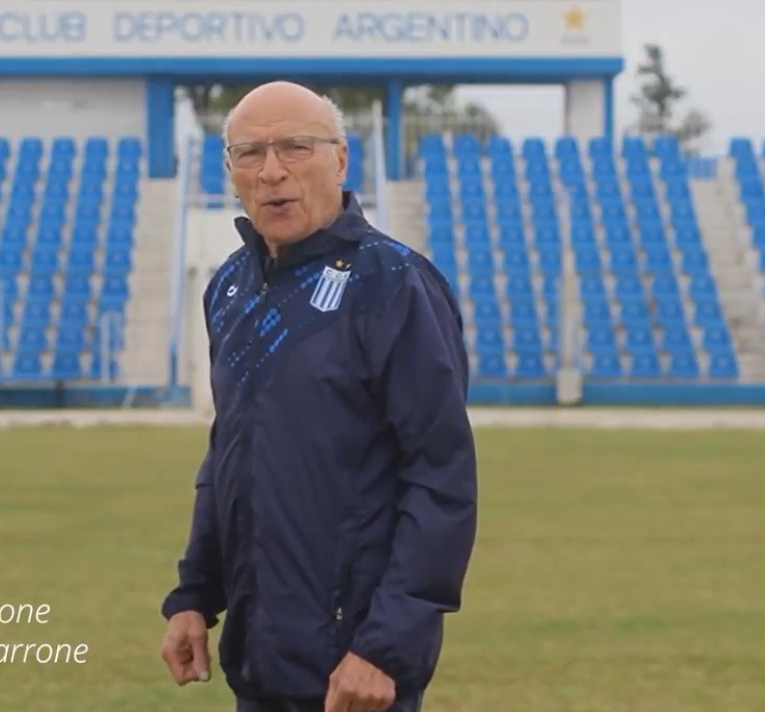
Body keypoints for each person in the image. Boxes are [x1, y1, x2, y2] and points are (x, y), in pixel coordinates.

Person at [159, 81, 479, 712]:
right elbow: (229, 451)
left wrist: (386, 646)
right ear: (230, 171)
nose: (272, 171)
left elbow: (440, 477)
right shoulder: (229, 287)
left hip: (353, 664)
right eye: (249, 153)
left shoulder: (393, 285)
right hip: (258, 655)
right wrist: (195, 594)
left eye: (296, 148)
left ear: (340, 159)